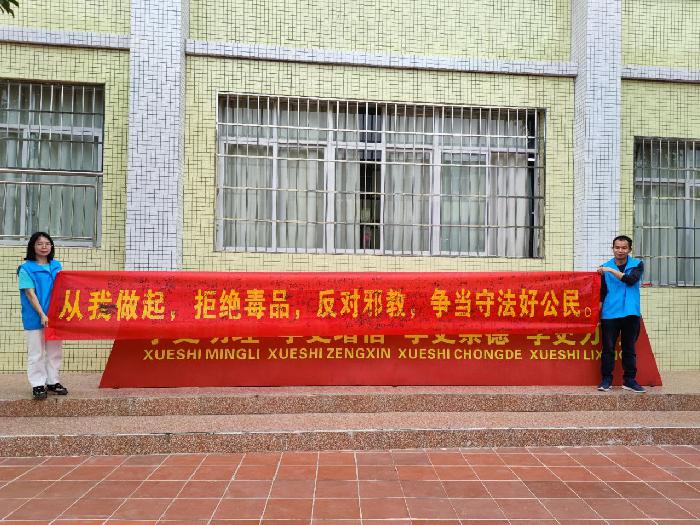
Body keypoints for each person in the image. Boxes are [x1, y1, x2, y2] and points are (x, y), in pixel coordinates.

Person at [17, 232, 68, 400]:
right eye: (39, 244)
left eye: (47, 243)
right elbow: (30, 294)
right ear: (33, 247)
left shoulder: (56, 266)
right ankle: (38, 384)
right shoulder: (26, 269)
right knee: (36, 352)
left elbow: (64, 289)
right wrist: (42, 314)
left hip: (55, 317)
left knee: (54, 351)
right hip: (35, 316)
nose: (44, 247)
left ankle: (53, 381)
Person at [596, 235, 646, 393]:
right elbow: (601, 293)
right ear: (612, 248)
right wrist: (597, 315)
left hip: (630, 313)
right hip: (610, 313)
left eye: (624, 248)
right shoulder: (604, 268)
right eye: (617, 247)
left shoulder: (637, 265)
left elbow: (631, 280)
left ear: (629, 249)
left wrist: (611, 271)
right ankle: (606, 380)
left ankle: (629, 380)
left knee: (629, 349)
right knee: (608, 349)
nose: (620, 250)